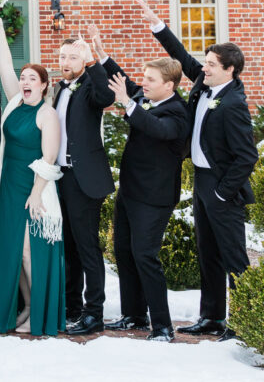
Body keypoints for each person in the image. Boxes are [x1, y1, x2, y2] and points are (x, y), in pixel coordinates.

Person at [137, 0, 257, 342]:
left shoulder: (234, 103)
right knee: (208, 253)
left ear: (229, 70)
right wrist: (157, 24)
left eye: (211, 64)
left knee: (233, 257)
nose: (203, 68)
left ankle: (240, 324)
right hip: (203, 181)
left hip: (222, 187)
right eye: (205, 63)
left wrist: (222, 190)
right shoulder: (206, 84)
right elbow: (183, 57)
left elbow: (246, 156)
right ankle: (212, 317)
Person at [92, 28, 188, 342]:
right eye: (144, 78)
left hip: (155, 198)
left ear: (169, 85)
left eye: (150, 79)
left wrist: (127, 104)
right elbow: (126, 83)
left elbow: (157, 129)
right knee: (124, 252)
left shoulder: (177, 113)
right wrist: (103, 54)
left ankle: (162, 325)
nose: (143, 83)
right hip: (130, 192)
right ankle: (133, 314)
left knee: (146, 256)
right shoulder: (145, 98)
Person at [0, 14, 65, 336]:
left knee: (29, 252)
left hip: (35, 189)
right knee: (12, 252)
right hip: (9, 186)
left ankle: (40, 313)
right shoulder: (16, 103)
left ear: (44, 84)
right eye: (23, 77)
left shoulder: (47, 114)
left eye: (32, 78)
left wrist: (36, 193)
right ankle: (28, 305)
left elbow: (49, 159)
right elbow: (4, 65)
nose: (25, 81)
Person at [52, 36, 115, 335]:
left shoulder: (91, 84)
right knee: (69, 246)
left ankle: (94, 313)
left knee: (87, 246)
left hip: (85, 178)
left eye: (72, 58)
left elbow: (106, 97)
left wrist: (92, 61)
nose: (66, 63)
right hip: (61, 176)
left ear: (83, 62)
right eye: (63, 57)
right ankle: (72, 305)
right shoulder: (58, 89)